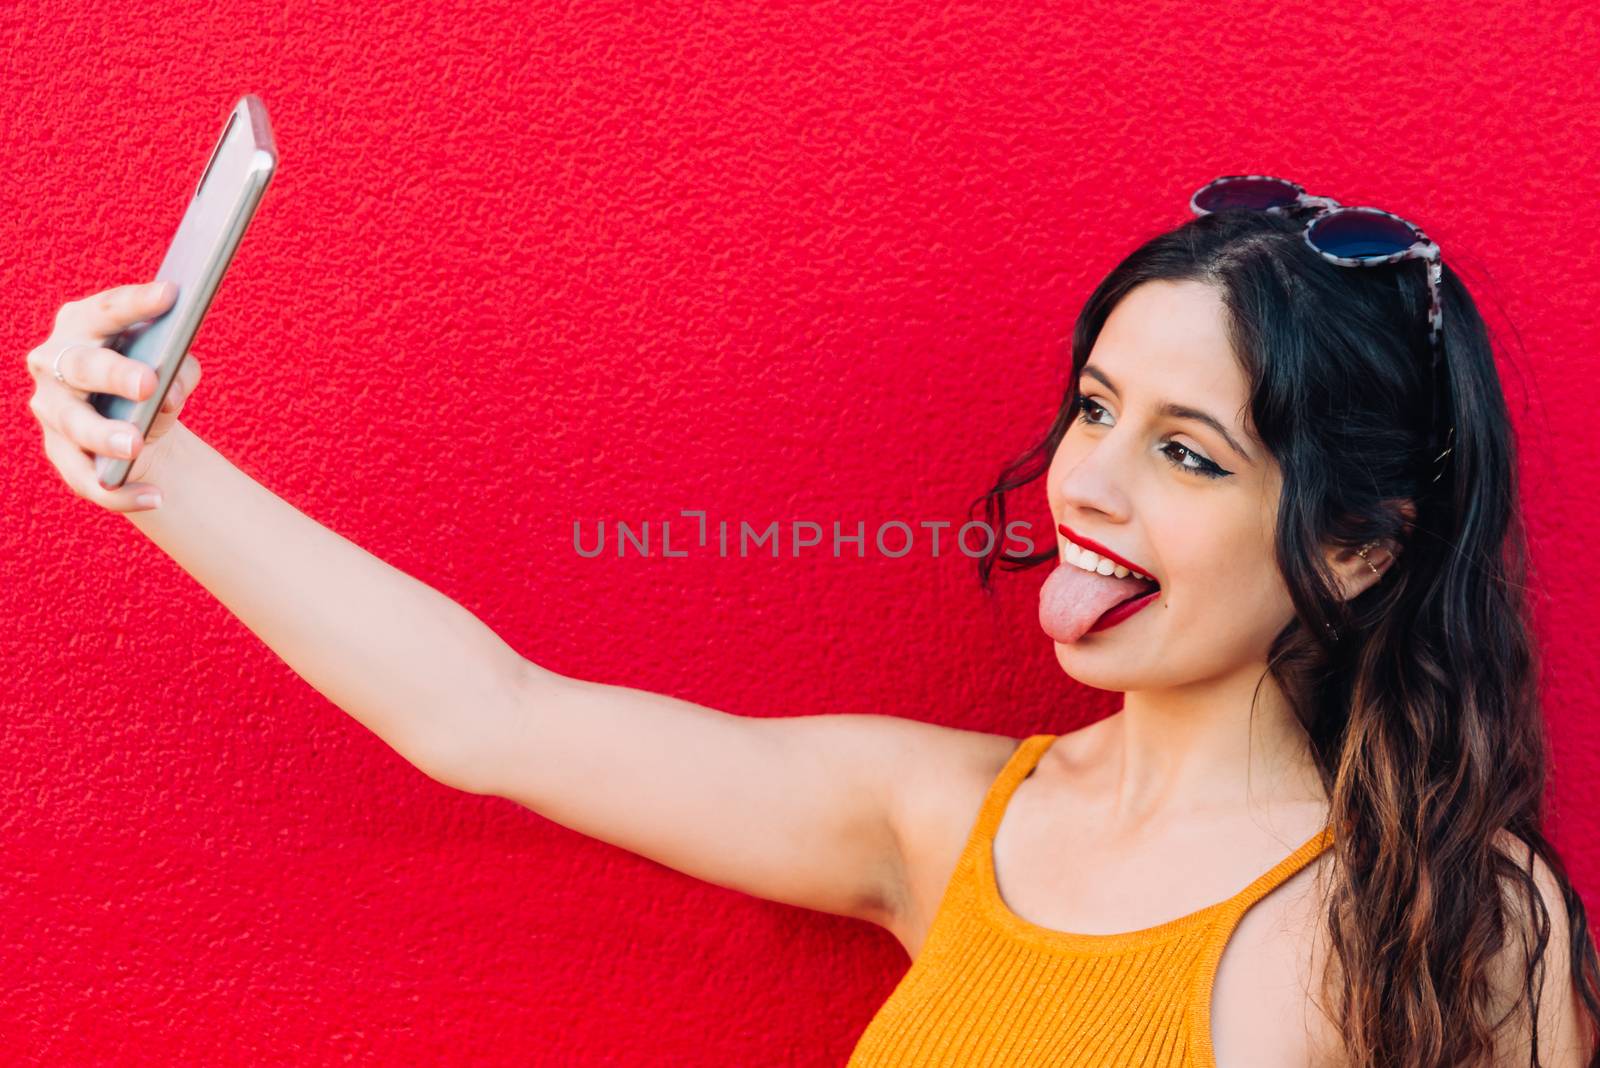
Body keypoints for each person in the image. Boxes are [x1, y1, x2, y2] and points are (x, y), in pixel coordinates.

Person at [24, 176, 1600, 1067]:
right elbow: (486, 714)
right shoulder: (942, 822)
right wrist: (153, 463)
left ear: (1361, 547)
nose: (1088, 482)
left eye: (1188, 452)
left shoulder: (1456, 914)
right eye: (1095, 408)